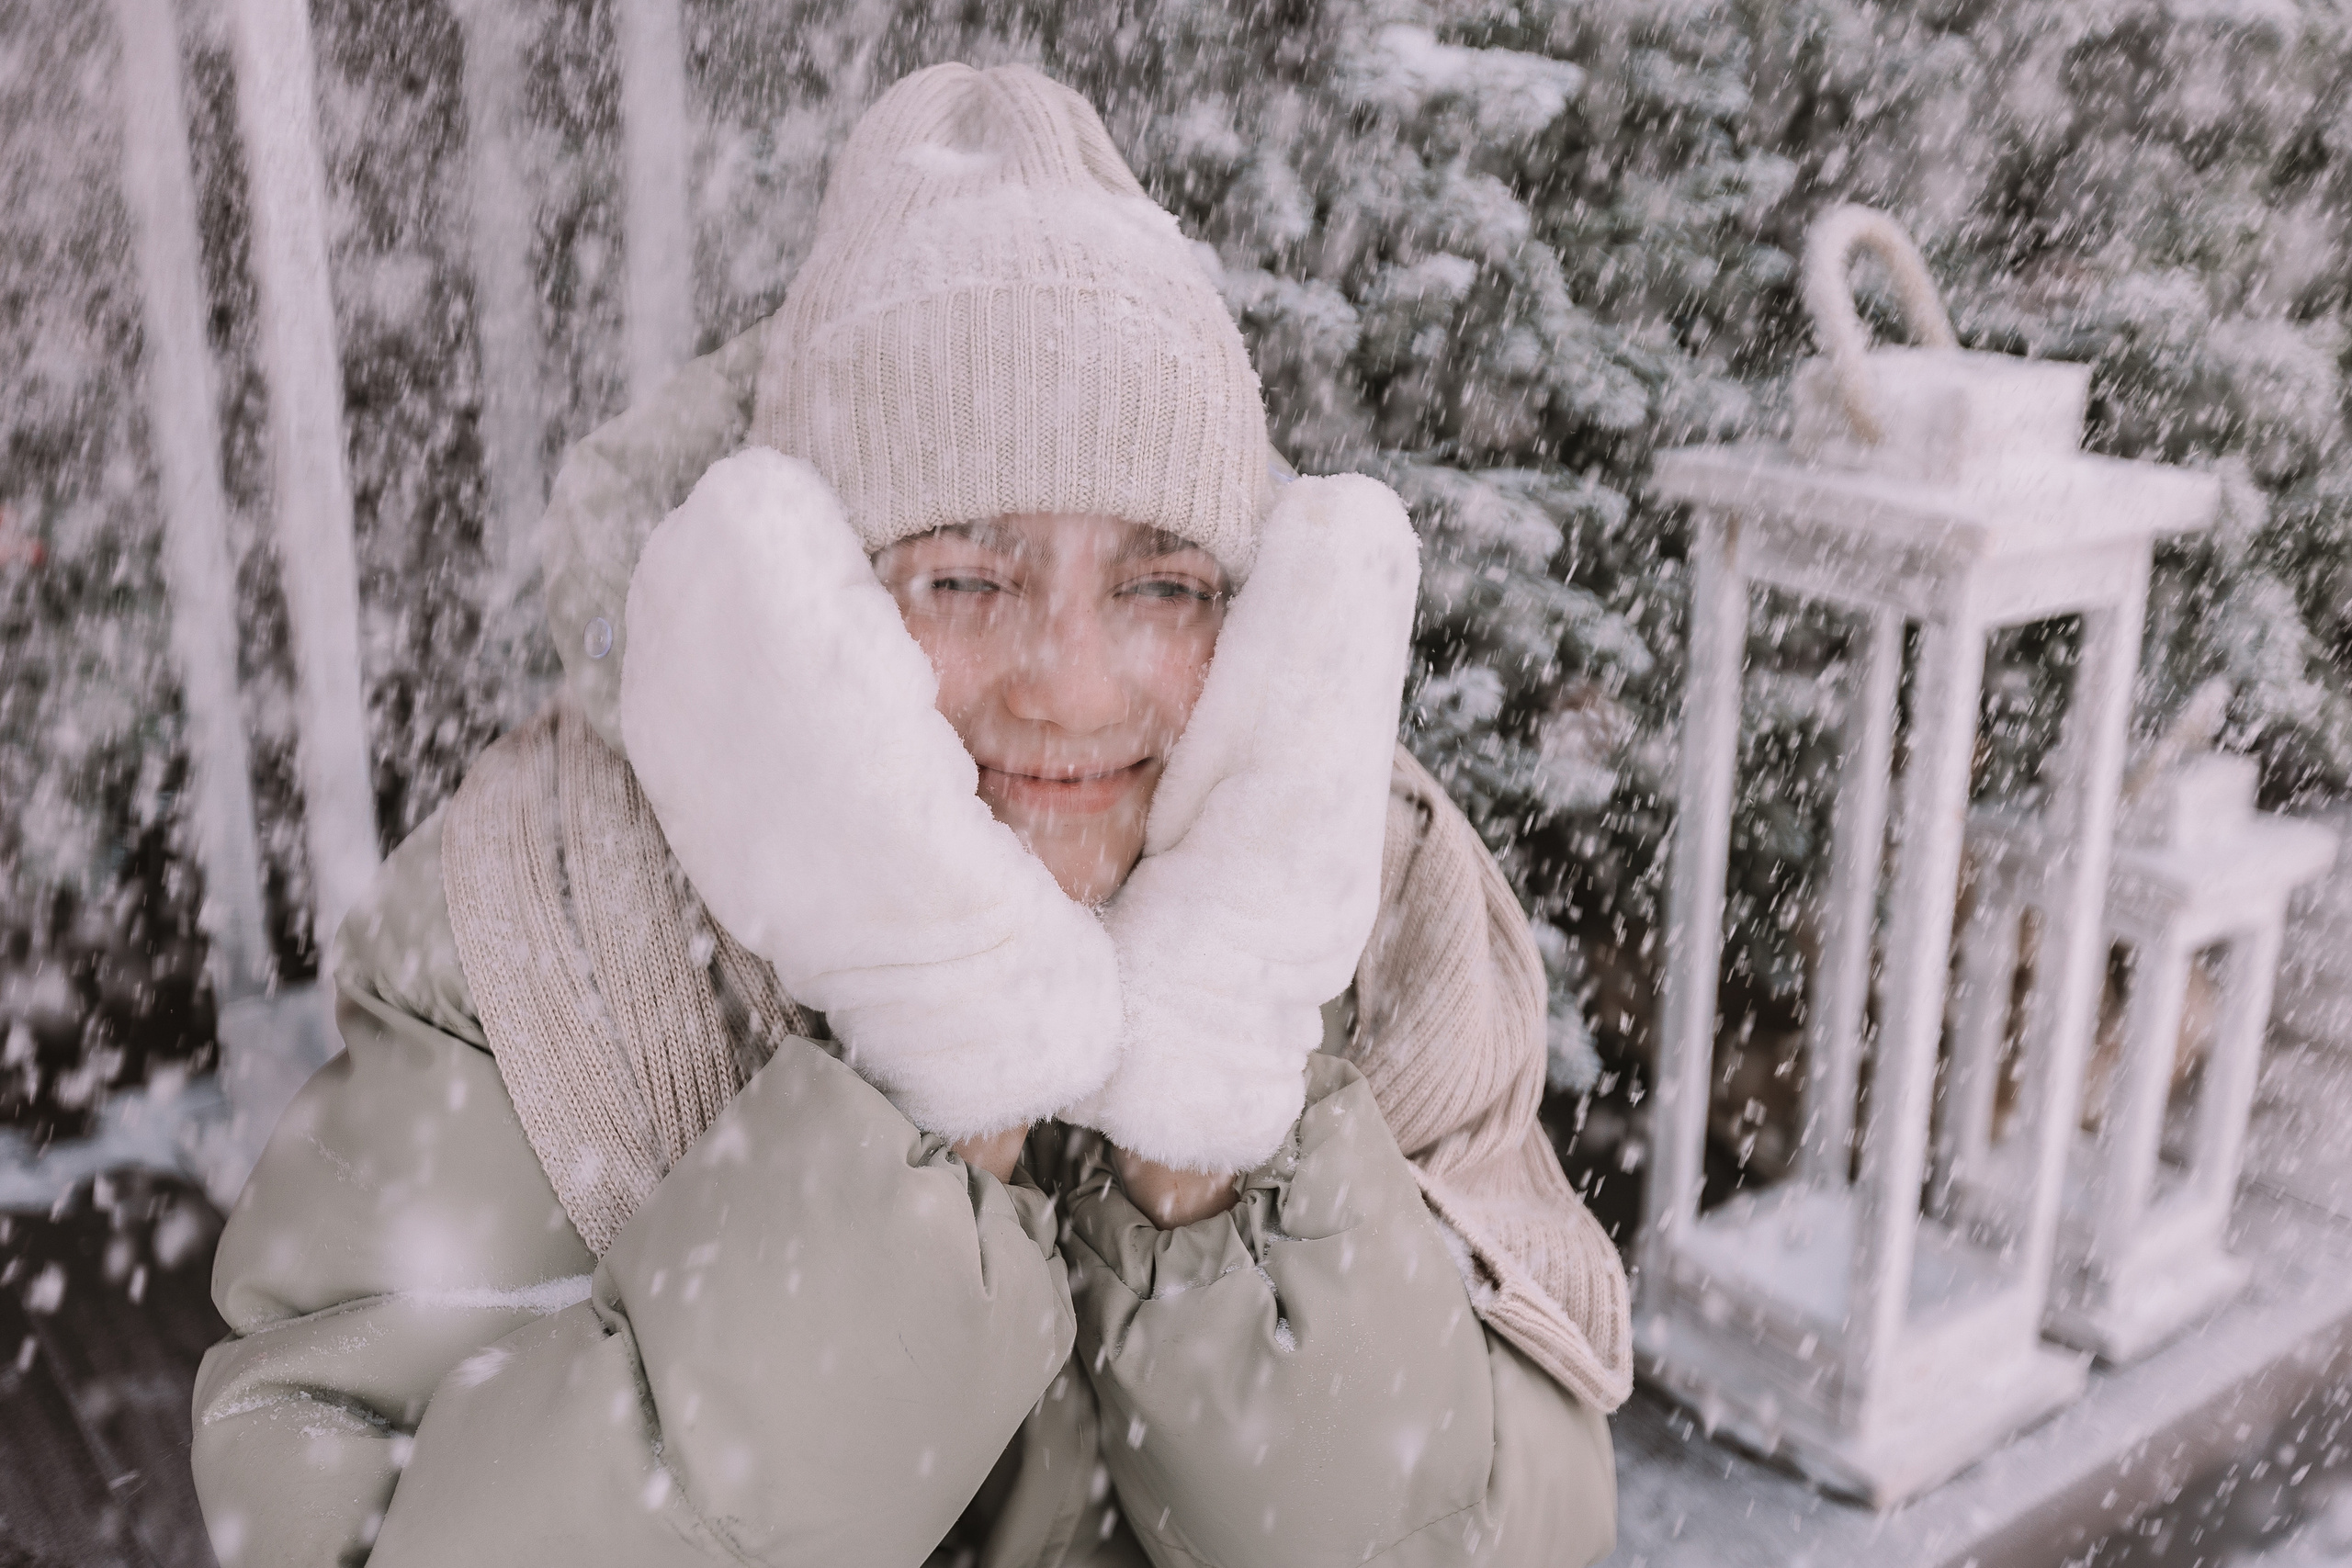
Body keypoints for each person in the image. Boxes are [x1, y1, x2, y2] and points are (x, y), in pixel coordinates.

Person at [189, 62, 1629, 1568]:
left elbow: (1506, 1522)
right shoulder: (543, 921)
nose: (1073, 692)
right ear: (809, 590)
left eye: (1158, 583)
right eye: (966, 576)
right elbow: (340, 1525)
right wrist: (937, 1046)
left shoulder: (1374, 893)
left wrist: (1221, 1129)